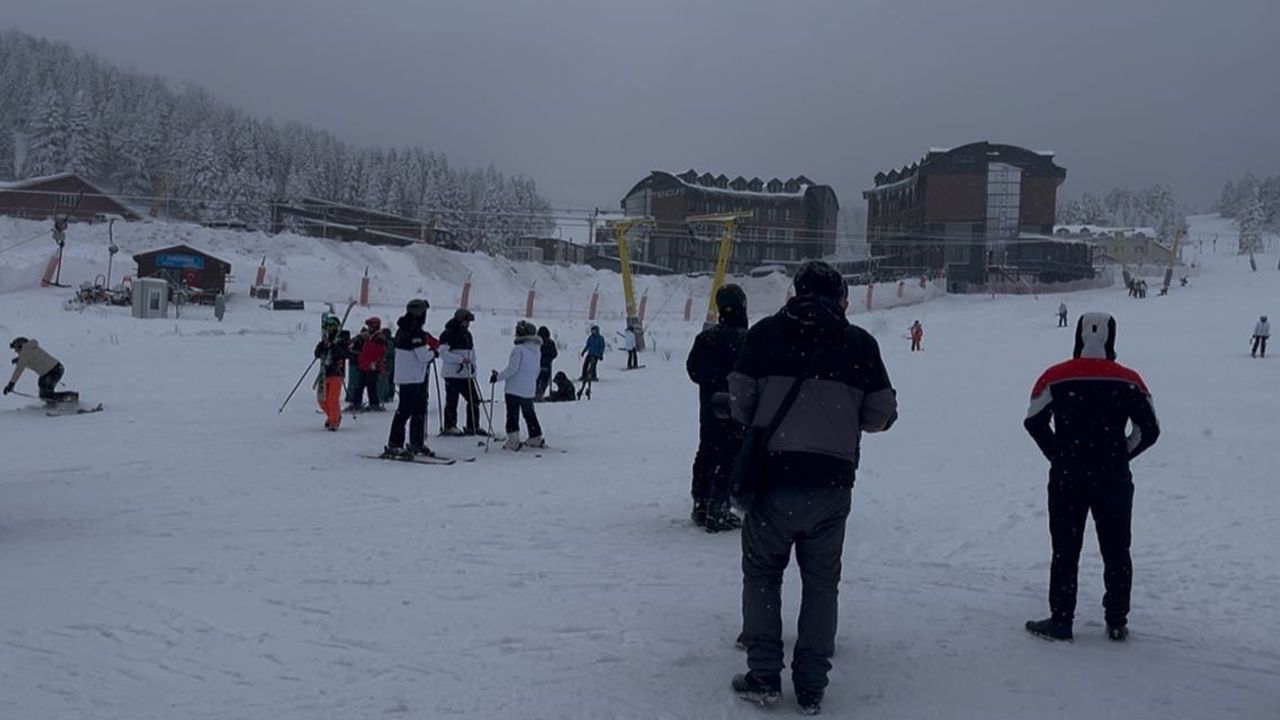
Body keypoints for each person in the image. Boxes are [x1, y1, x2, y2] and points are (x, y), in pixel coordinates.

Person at [728, 261, 898, 714]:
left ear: (794, 292)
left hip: (772, 479)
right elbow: (880, 415)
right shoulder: (859, 344)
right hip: (831, 484)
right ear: (841, 297)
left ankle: (764, 674)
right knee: (822, 584)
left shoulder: (764, 335)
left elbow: (741, 404)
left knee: (763, 575)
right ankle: (811, 685)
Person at [1023, 312, 1160, 643]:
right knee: (1117, 549)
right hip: (1113, 477)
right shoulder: (1130, 380)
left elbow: (1034, 421)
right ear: (1112, 339)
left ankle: (1061, 620)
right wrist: (1121, 453)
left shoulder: (1054, 376)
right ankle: (1116, 620)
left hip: (1068, 476)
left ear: (1077, 337)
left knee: (1065, 548)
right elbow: (1150, 429)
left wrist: (1058, 453)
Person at [686, 283, 749, 533]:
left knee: (707, 451)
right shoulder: (747, 339)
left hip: (709, 407)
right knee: (731, 455)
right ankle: (719, 507)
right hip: (738, 407)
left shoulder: (705, 339)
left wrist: (711, 381)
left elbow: (693, 370)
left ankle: (701, 503)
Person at [383, 299, 439, 457]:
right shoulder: (414, 331)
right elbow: (422, 356)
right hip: (411, 377)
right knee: (406, 411)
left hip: (413, 376)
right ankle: (396, 444)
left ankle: (416, 442)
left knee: (418, 410)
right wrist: (434, 353)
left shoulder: (405, 328)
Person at [490, 320, 545, 451]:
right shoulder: (537, 351)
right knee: (529, 413)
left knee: (512, 414)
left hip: (514, 389)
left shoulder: (518, 349)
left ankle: (513, 440)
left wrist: (497, 377)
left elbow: (512, 369)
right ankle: (535, 436)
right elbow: (537, 371)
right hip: (529, 389)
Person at [439, 309, 484, 435]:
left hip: (466, 374)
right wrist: (460, 360)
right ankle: (450, 426)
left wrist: (473, 367)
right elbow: (443, 354)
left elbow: (471, 352)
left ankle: (473, 426)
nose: (468, 324)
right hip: (452, 374)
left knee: (474, 400)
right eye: (466, 321)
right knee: (452, 401)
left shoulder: (467, 335)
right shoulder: (447, 334)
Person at [313, 316, 350, 430]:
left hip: (336, 373)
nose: (330, 328)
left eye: (333, 326)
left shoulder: (341, 340)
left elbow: (344, 354)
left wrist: (334, 347)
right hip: (324, 373)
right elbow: (317, 353)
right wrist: (322, 347)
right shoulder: (325, 340)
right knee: (322, 400)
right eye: (329, 326)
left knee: (333, 399)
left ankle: (334, 421)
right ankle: (333, 416)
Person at [5, 337, 69, 402]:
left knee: (46, 395)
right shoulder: (30, 348)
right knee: (44, 394)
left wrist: (11, 384)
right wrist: (19, 360)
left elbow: (19, 370)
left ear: (20, 346)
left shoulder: (25, 352)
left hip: (52, 371)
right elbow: (33, 360)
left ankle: (70, 399)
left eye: (16, 348)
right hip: (55, 369)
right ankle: (56, 403)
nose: (15, 351)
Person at [350, 317, 387, 411]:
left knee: (371, 387)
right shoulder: (369, 337)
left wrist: (375, 362)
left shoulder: (379, 338)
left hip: (371, 366)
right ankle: (356, 403)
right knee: (360, 386)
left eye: (370, 326)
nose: (369, 328)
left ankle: (374, 404)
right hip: (364, 365)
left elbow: (379, 352)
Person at [535, 325, 557, 400]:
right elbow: (554, 354)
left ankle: (538, 395)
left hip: (543, 365)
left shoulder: (548, 343)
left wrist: (548, 357)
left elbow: (554, 354)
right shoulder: (537, 343)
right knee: (539, 381)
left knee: (541, 381)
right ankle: (537, 395)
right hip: (540, 365)